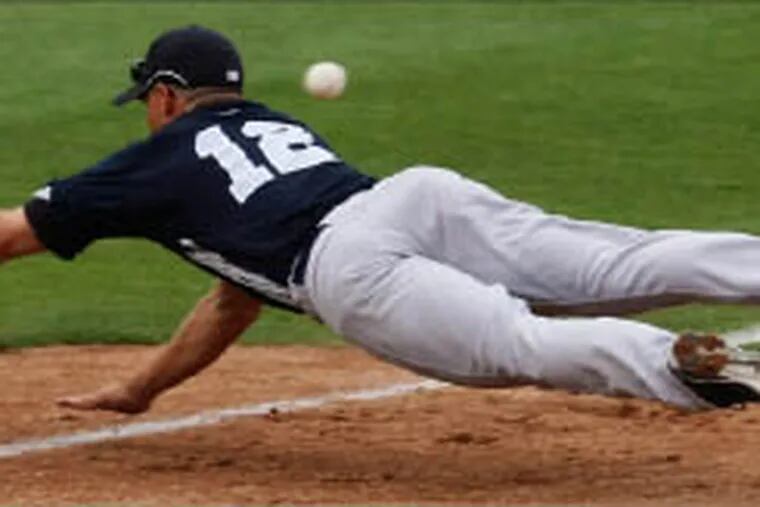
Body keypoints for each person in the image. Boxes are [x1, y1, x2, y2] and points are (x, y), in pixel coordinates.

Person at [1, 26, 759, 416]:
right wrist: (141, 388)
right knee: (617, 262)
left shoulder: (153, 162)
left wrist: (137, 389)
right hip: (416, 197)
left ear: (166, 95)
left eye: (146, 100)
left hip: (348, 265)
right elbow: (233, 299)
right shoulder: (273, 125)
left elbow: (12, 233)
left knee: (520, 341)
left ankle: (693, 365)